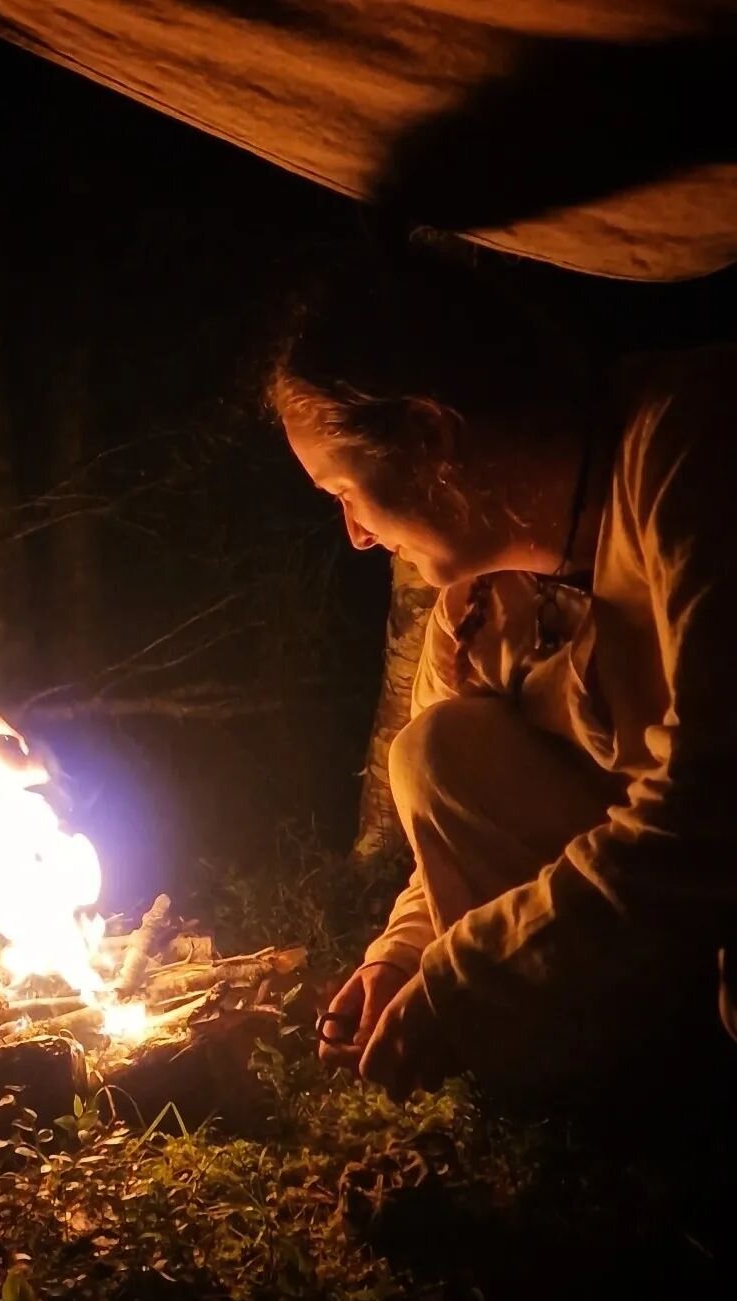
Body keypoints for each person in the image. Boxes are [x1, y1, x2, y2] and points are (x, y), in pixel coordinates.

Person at [269, 249, 736, 1102]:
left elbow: (713, 808)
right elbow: (441, 846)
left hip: (713, 894)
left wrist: (467, 986)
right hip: (656, 934)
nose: (358, 536)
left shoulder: (691, 447)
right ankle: (604, 1069)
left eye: (345, 490)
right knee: (436, 752)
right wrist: (410, 957)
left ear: (430, 435)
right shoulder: (484, 611)